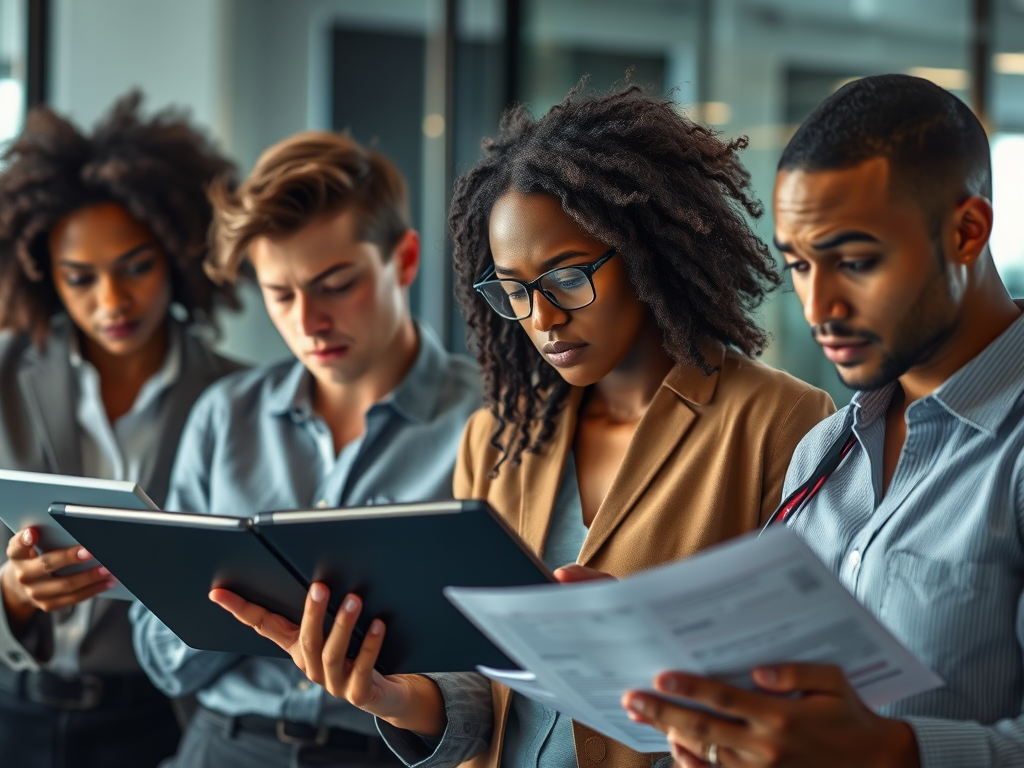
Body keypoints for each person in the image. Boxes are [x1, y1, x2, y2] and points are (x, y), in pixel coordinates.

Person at [211, 83, 836, 768]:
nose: (541, 318)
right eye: (512, 290)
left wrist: (649, 647)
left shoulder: (781, 423)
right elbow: (484, 687)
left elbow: (802, 690)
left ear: (646, 252)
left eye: (567, 279)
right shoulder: (502, 435)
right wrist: (390, 695)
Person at [620, 74, 1024, 768]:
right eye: (800, 265)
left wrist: (895, 753)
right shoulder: (822, 453)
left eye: (856, 262)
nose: (818, 307)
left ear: (966, 232)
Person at [129, 130, 482, 768]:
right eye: (281, 295)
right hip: (220, 746)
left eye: (336, 283)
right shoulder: (223, 415)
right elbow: (160, 656)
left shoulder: (489, 421)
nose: (308, 321)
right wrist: (245, 607)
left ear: (403, 260)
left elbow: (503, 679)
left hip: (385, 753)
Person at [0, 94, 243, 768]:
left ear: (177, 252)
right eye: (82, 278)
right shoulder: (3, 375)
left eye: (135, 267)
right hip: (13, 704)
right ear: (45, 276)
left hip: (159, 718)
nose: (112, 303)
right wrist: (13, 596)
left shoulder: (238, 397)